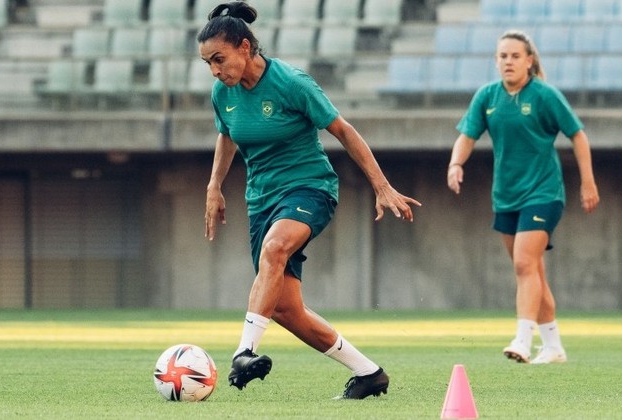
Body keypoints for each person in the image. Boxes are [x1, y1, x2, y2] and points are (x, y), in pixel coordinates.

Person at [198, 2, 421, 398]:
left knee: (275, 246)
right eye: (208, 63)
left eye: (219, 59)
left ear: (245, 48)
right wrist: (215, 186)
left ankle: (243, 352)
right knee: (285, 310)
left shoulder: (292, 83)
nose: (215, 70)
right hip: (261, 201)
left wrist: (381, 186)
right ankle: (369, 373)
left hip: (309, 188)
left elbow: (344, 130)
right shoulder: (223, 94)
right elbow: (227, 135)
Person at [447, 30, 599, 364]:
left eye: (515, 56)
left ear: (529, 61)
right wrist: (456, 163)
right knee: (533, 271)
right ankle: (554, 346)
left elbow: (578, 135)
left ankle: (522, 339)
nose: (508, 62)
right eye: (503, 56)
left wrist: (587, 182)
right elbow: (467, 136)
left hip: (544, 193)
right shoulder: (487, 97)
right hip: (506, 197)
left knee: (523, 263)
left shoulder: (544, 95)